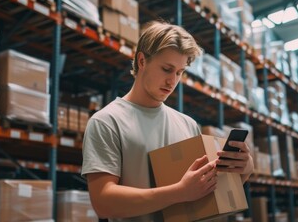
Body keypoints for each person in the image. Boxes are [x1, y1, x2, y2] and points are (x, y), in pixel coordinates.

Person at [82, 21, 254, 222]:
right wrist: (178, 192)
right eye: (166, 69)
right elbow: (103, 202)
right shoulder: (107, 122)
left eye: (179, 72)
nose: (172, 81)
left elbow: (204, 196)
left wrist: (244, 170)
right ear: (142, 61)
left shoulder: (188, 124)